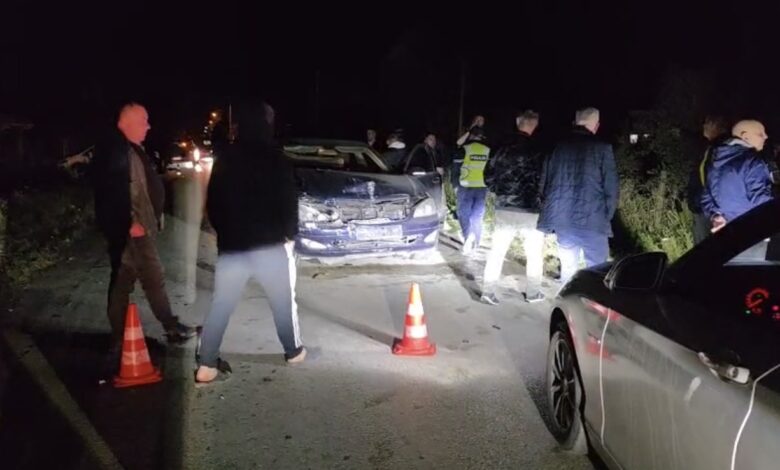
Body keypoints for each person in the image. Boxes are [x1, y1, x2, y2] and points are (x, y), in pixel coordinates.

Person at [196, 102, 305, 385]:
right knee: (282, 302)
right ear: (267, 125)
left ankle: (207, 363)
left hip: (233, 248)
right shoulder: (276, 160)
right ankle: (293, 351)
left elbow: (213, 205)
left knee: (221, 304)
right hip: (270, 247)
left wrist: (226, 234)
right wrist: (289, 234)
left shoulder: (225, 159)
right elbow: (288, 202)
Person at [91, 103, 196, 372]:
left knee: (124, 280)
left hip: (135, 230)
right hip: (134, 232)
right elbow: (114, 192)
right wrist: (130, 224)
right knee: (151, 278)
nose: (148, 126)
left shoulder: (128, 149)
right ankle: (168, 328)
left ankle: (122, 338)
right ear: (126, 123)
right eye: (144, 121)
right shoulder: (119, 151)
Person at [538, 107, 619, 283]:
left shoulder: (558, 147)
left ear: (575, 122)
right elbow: (611, 189)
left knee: (568, 270)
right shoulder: (603, 149)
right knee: (597, 272)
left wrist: (551, 212)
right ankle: (590, 299)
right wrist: (606, 217)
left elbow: (544, 183)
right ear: (596, 125)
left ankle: (567, 298)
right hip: (593, 221)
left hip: (563, 221)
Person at [481, 110, 544, 305]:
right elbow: (544, 180)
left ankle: (488, 291)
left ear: (518, 122)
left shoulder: (501, 148)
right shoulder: (537, 150)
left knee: (497, 251)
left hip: (505, 207)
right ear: (534, 125)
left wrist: (499, 192)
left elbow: (488, 176)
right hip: (530, 209)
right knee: (534, 254)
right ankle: (533, 293)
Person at [701, 119, 773, 233]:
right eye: (761, 134)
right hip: (756, 229)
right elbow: (762, 201)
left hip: (734, 231)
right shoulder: (752, 162)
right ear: (745, 136)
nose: (766, 137)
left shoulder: (714, 163)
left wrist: (716, 216)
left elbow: (706, 197)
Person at [686, 115, 729, 244]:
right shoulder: (709, 147)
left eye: (707, 123)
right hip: (703, 206)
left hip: (709, 208)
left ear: (716, 125)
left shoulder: (719, 149)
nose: (704, 126)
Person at [455, 126, 491, 255]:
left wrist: (454, 184)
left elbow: (456, 167)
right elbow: (491, 169)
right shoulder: (487, 150)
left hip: (466, 185)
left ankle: (468, 236)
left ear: (471, 136)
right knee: (477, 216)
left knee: (463, 213)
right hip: (482, 186)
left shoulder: (465, 148)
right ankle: (476, 243)